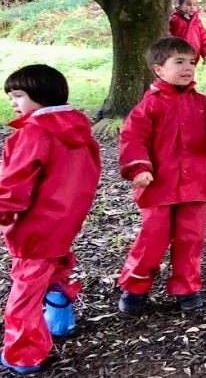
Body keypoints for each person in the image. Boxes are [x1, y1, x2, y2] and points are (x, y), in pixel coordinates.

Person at [117, 37, 206, 315]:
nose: (188, 67)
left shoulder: (202, 104)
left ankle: (187, 286)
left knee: (191, 238)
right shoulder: (149, 106)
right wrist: (139, 168)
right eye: (179, 62)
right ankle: (135, 286)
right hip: (158, 187)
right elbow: (133, 139)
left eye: (192, 62)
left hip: (194, 186)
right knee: (153, 238)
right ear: (159, 70)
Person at [0, 65, 100, 375]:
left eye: (18, 96)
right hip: (64, 221)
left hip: (35, 226)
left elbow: (14, 182)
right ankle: (60, 319)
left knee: (25, 292)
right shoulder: (80, 130)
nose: (14, 103)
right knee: (53, 267)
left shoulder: (33, 134)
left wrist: (3, 213)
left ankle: (24, 354)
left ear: (40, 96)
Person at [167, 0, 206, 66]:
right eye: (189, 4)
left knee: (188, 73)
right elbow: (168, 34)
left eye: (194, 5)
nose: (192, 7)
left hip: (193, 55)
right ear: (180, 6)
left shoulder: (197, 22)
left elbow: (204, 39)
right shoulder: (174, 20)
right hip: (178, 54)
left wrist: (205, 54)